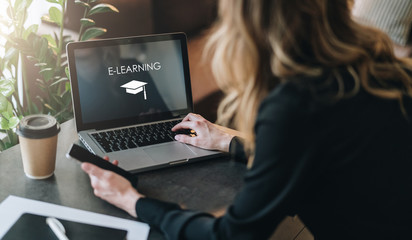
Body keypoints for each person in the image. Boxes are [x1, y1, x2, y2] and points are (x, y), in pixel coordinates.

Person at [81, 0, 412, 239]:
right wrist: (228, 140)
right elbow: (310, 155)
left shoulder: (296, 105)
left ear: (247, 24)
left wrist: (134, 201)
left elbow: (233, 234)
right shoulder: (381, 66)